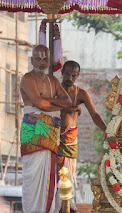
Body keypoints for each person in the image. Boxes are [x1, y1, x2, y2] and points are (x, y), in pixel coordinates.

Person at [20, 45, 72, 213]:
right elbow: (38, 103)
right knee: (32, 176)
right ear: (31, 60)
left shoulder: (53, 80)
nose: (41, 62)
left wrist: (45, 103)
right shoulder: (27, 79)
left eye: (45, 59)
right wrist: (54, 104)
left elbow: (68, 102)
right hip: (32, 130)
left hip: (50, 131)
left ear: (49, 61)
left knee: (50, 174)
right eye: (38, 59)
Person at [55, 60, 107, 212]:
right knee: (54, 174)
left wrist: (108, 131)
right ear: (61, 73)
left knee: (68, 173)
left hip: (70, 138)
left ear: (77, 76)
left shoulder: (81, 94)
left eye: (73, 75)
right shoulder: (53, 91)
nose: (69, 78)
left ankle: (66, 206)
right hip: (53, 137)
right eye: (67, 74)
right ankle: (54, 206)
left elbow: (95, 115)